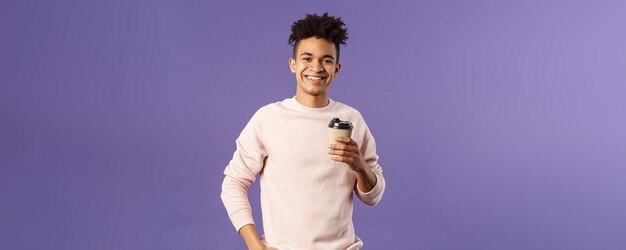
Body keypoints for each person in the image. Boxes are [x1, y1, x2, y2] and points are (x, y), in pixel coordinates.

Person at [221, 13, 386, 250]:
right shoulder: (268, 119)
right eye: (307, 58)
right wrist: (255, 245)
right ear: (293, 64)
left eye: (326, 60)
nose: (316, 67)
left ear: (337, 68)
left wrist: (359, 164)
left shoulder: (352, 120)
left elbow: (373, 197)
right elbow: (233, 183)